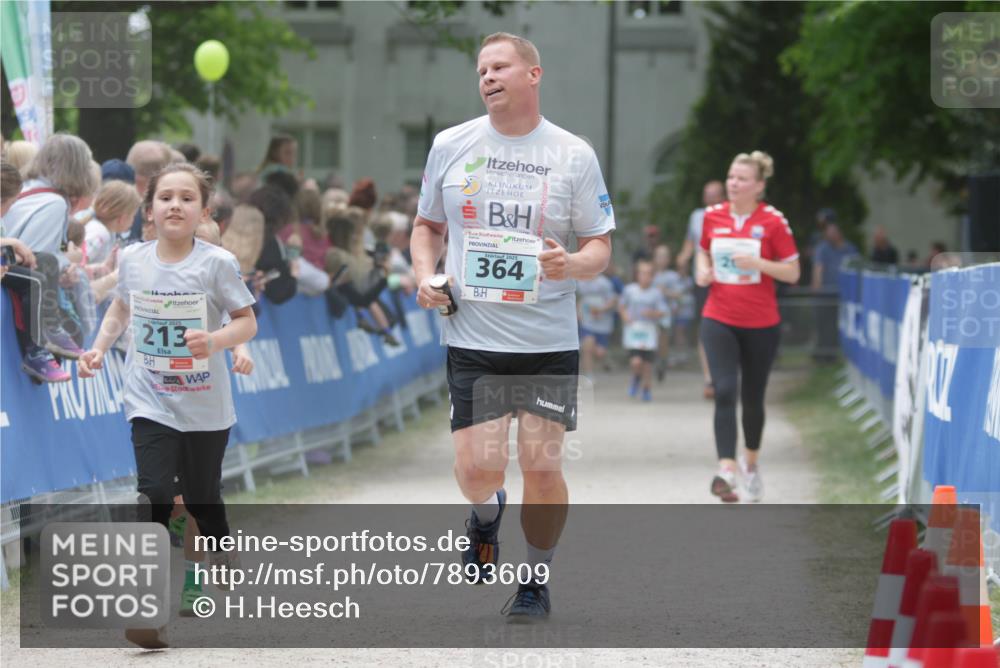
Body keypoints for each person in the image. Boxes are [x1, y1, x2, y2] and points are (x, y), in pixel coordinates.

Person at [411, 32, 614, 621]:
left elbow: (599, 245)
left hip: (548, 338)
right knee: (477, 470)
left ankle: (535, 581)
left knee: (543, 466)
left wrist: (571, 264)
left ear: (533, 75)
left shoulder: (572, 153)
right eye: (481, 70)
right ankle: (484, 514)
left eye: (500, 67)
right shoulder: (452, 144)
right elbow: (426, 226)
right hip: (473, 335)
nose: (488, 77)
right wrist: (427, 276)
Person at [78, 163, 257, 649]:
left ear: (202, 209)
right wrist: (98, 346)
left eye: (186, 198)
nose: (175, 205)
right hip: (149, 397)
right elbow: (120, 305)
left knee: (202, 499)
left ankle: (221, 550)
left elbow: (247, 322)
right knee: (154, 492)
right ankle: (146, 609)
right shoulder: (134, 259)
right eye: (165, 198)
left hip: (204, 405)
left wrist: (216, 340)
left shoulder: (216, 263)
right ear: (150, 209)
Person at [696, 151, 800, 503]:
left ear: (759, 185)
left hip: (761, 323)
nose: (733, 183)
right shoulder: (713, 216)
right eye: (730, 176)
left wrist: (758, 262)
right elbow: (702, 251)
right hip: (719, 316)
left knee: (753, 399)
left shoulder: (773, 222)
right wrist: (702, 269)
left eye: (741, 179)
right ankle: (726, 469)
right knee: (724, 390)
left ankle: (750, 464)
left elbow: (793, 272)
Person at [676, 180, 724, 399]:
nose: (711, 198)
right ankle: (709, 379)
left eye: (715, 194)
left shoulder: (729, 214)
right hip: (702, 279)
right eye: (708, 195)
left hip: (726, 280)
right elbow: (690, 243)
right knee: (706, 327)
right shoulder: (696, 216)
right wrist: (683, 258)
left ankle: (724, 374)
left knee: (726, 327)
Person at [620, 258, 669, 401]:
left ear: (652, 276)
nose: (645, 276)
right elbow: (622, 306)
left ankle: (646, 389)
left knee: (647, 364)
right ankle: (636, 377)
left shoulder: (656, 293)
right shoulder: (630, 290)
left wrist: (652, 313)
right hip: (634, 331)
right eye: (642, 273)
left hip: (649, 331)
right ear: (637, 275)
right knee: (636, 361)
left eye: (648, 274)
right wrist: (625, 317)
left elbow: (663, 311)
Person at [576, 273, 616, 378]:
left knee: (599, 352)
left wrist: (600, 310)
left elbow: (613, 300)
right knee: (587, 346)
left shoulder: (604, 283)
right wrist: (578, 312)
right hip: (587, 321)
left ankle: (605, 360)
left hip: (603, 323)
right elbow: (580, 299)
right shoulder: (580, 282)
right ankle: (589, 376)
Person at [652, 244, 682, 381]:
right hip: (650, 313)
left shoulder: (673, 276)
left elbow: (678, 295)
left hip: (665, 314)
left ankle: (661, 362)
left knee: (662, 340)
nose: (661, 259)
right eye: (659, 256)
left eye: (664, 256)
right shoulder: (649, 273)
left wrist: (665, 292)